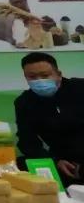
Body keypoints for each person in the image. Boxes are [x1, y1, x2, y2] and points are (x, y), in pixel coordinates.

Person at [15, 52, 84, 186]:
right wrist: (55, 161)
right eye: (32, 77)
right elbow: (27, 141)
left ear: (58, 74)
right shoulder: (24, 102)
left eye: (45, 75)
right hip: (62, 160)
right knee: (21, 164)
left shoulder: (79, 88)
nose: (39, 81)